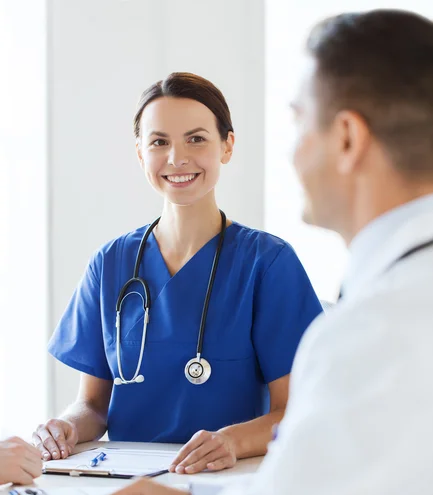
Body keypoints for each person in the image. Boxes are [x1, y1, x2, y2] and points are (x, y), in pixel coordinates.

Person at [2, 8, 433, 495]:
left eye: (297, 121)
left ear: (348, 139)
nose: (178, 157)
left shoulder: (374, 323)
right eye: (159, 141)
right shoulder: (398, 298)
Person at [31, 73, 322, 474]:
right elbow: (94, 407)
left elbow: (295, 410)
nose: (176, 158)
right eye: (159, 142)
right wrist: (64, 426)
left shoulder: (267, 263)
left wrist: (231, 441)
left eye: (196, 139)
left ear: (227, 145)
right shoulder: (111, 262)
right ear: (140, 153)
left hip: (228, 480)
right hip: (123, 482)